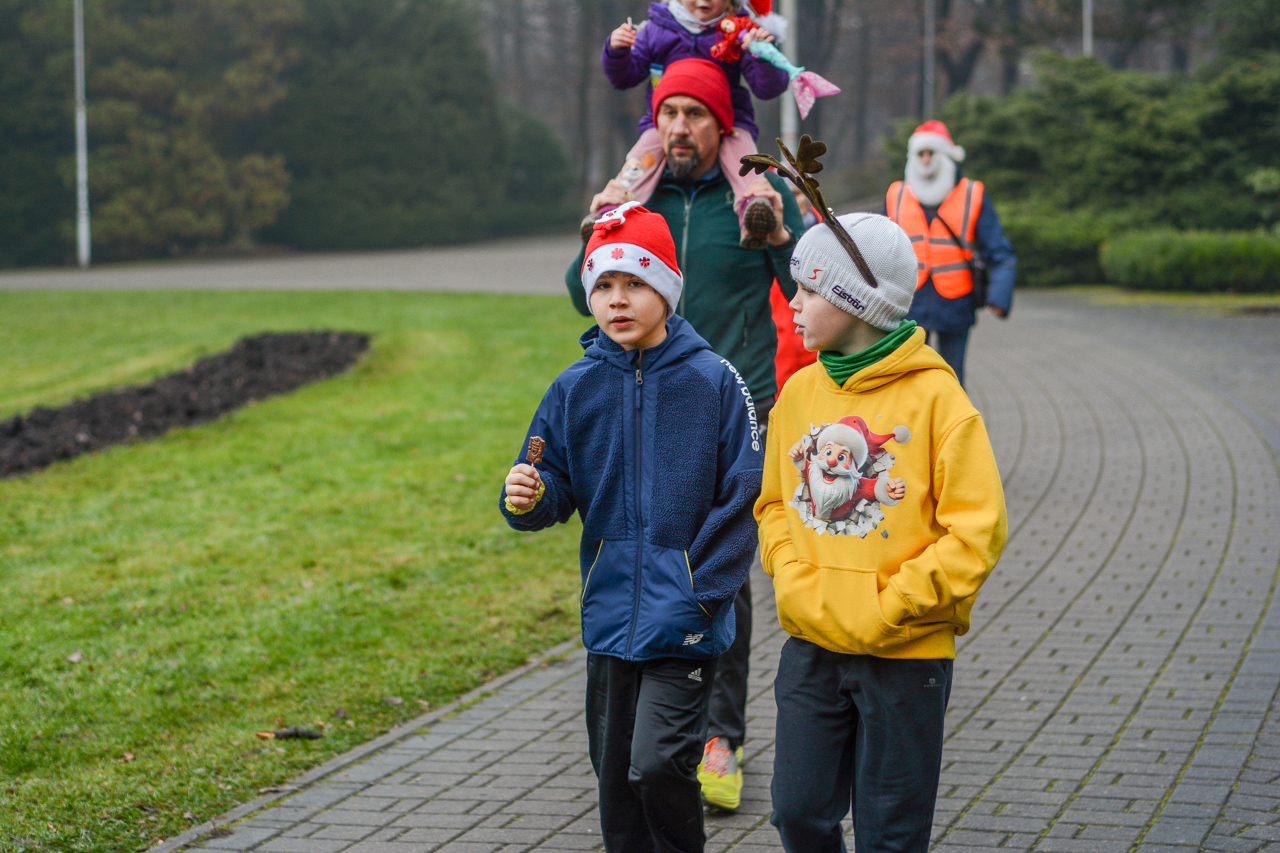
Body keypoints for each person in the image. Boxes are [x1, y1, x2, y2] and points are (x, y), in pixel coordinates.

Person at [566, 55, 805, 814]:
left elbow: (802, 281)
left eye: (695, 115)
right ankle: (644, 732)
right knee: (646, 555)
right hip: (647, 404)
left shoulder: (752, 197)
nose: (679, 127)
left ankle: (719, 737)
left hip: (737, 403)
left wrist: (775, 220)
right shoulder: (640, 200)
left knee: (720, 568)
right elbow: (581, 293)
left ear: (721, 124)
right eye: (668, 113)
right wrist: (597, 223)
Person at [507, 201, 762, 852]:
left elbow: (743, 495)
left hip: (687, 623)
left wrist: (700, 593)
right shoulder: (574, 388)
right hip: (610, 621)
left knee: (656, 765)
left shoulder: (714, 383)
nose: (618, 300)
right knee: (616, 784)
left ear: (668, 289)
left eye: (636, 282)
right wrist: (529, 496)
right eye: (604, 285)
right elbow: (549, 481)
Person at [756, 212, 1008, 852]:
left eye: (810, 290)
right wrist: (790, 574)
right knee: (797, 813)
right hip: (811, 644)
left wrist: (893, 603)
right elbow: (775, 504)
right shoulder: (798, 393)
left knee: (890, 834)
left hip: (905, 656)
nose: (794, 303)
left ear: (854, 302)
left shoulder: (939, 402)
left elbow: (976, 530)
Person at [597, 1, 790, 247]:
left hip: (730, 120)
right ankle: (612, 211)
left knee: (746, 161)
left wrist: (762, 54)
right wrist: (617, 51)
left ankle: (754, 212)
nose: (702, 1)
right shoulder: (656, 29)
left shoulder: (741, 29)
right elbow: (625, 77)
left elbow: (768, 89)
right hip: (664, 122)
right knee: (639, 160)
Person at [885, 120, 1017, 387]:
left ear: (946, 155)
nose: (925, 160)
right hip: (908, 303)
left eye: (931, 152)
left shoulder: (972, 194)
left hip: (956, 304)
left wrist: (999, 297)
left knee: (952, 379)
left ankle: (955, 428)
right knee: (906, 380)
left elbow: (1000, 251)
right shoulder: (896, 194)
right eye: (920, 153)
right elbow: (878, 249)